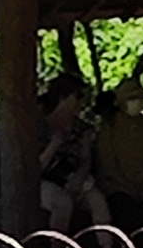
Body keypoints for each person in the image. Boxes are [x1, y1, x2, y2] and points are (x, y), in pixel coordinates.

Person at [94, 78, 143, 230]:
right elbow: (107, 162)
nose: (137, 102)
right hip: (118, 188)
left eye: (139, 98)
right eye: (132, 99)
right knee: (129, 215)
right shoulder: (109, 128)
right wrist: (127, 186)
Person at [38, 76, 102, 232]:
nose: (82, 102)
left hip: (73, 180)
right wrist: (54, 145)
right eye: (78, 97)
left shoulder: (82, 128)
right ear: (62, 97)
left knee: (97, 200)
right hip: (45, 182)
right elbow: (35, 165)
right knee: (62, 202)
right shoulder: (41, 125)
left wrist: (79, 177)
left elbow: (86, 158)